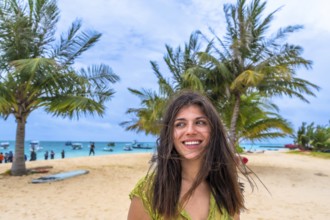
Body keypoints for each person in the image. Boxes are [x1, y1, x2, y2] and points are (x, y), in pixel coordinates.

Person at [127, 91, 248, 220]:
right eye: (180, 124)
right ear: (170, 134)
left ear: (213, 131)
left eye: (200, 122)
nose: (190, 131)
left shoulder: (226, 187)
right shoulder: (150, 191)